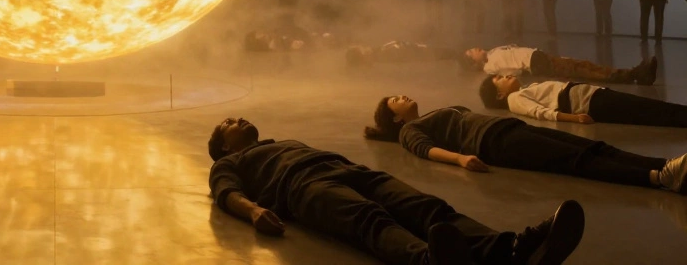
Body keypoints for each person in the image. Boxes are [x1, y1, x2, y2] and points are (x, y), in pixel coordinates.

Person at [208, 116, 585, 265]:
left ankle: (512, 249)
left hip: (349, 170)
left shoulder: (281, 139)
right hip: (303, 187)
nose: (237, 119)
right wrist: (254, 211)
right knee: (368, 220)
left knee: (428, 207)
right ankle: (427, 261)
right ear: (224, 145)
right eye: (228, 123)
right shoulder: (229, 163)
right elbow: (226, 193)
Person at [365, 96, 687, 194]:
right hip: (494, 143)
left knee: (593, 147)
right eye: (397, 100)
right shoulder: (411, 131)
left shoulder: (434, 111)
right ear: (396, 119)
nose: (404, 97)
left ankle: (661, 165)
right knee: (575, 159)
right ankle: (657, 178)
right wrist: (461, 159)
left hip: (508, 128)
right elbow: (426, 150)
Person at [479, 74, 687, 128]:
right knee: (645, 110)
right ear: (500, 95)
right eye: (500, 79)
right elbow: (540, 112)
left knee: (644, 108)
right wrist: (574, 118)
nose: (506, 76)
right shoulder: (515, 99)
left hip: (590, 96)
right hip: (588, 103)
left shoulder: (523, 90)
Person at [463, 45, 656, 85]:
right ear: (474, 62)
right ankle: (634, 74)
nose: (475, 48)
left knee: (581, 66)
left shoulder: (493, 52)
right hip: (535, 63)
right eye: (472, 52)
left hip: (537, 57)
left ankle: (634, 73)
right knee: (582, 69)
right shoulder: (489, 67)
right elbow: (513, 70)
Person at [345, 41, 457, 67]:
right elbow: (404, 52)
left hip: (422, 52)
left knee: (450, 54)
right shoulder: (381, 56)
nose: (365, 47)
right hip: (423, 54)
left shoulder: (379, 52)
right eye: (362, 50)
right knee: (451, 55)